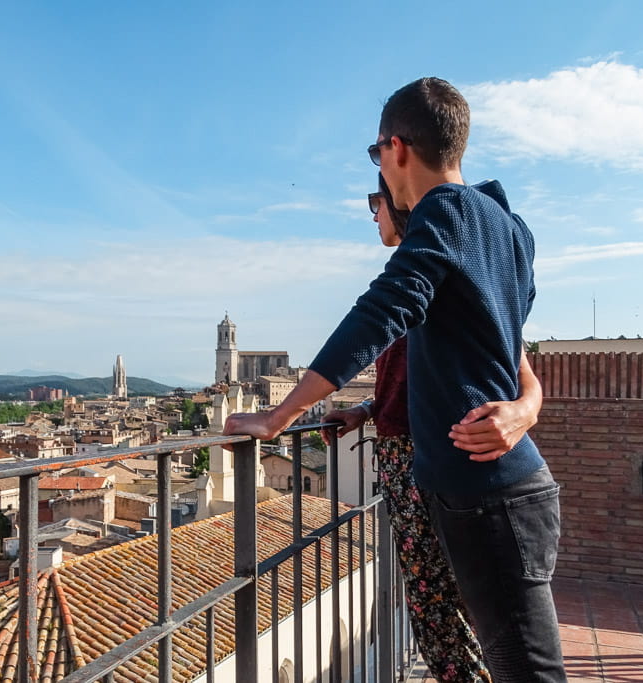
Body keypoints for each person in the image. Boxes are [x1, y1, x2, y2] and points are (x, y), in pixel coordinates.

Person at [224, 77, 566, 681]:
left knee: (526, 671)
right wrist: (525, 406)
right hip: (508, 488)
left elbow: (380, 311)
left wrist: (277, 416)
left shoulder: (446, 210)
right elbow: (506, 341)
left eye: (375, 153)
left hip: (486, 495)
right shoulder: (508, 225)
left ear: (396, 148)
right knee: (517, 663)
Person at [320, 173, 543, 681]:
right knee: (447, 608)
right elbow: (420, 375)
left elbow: (516, 367)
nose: (373, 215)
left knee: (444, 611)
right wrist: (368, 409)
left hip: (430, 460)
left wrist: (277, 416)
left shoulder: (431, 269)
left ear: (399, 201)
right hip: (419, 455)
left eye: (375, 202)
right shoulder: (427, 271)